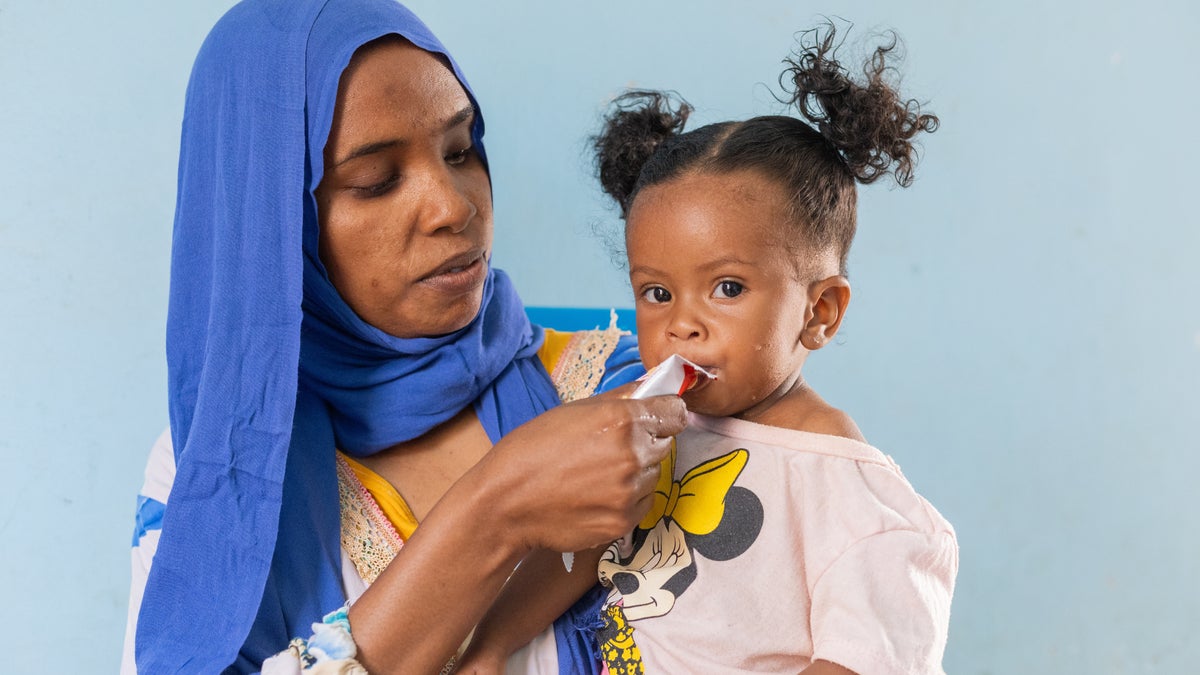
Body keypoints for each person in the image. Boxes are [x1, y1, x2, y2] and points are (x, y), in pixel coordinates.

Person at [119, 1, 689, 673]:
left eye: (460, 150)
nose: (455, 207)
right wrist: (493, 510)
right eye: (376, 181)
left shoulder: (630, 388)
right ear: (275, 225)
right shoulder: (223, 467)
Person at [456, 24, 958, 675]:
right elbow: (569, 553)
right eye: (657, 292)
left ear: (820, 312)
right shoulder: (651, 429)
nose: (682, 324)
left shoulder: (857, 506)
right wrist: (489, 649)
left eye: (727, 287)